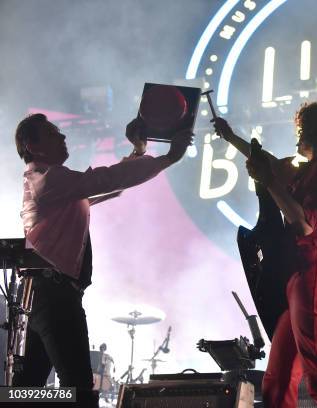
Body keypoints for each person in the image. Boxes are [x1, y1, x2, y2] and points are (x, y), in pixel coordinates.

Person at [13, 113, 192, 407]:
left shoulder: (53, 183)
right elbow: (107, 180)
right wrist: (169, 157)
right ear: (32, 145)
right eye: (52, 133)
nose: (63, 137)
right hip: (54, 296)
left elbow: (110, 185)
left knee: (26, 390)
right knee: (79, 390)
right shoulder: (49, 179)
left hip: (42, 295)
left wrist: (139, 153)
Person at [213, 100, 317, 407]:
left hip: (316, 275)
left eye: (304, 131)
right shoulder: (307, 171)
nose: (298, 137)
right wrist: (231, 138)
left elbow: (305, 224)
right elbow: (267, 163)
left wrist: (267, 181)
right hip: (302, 279)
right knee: (278, 380)